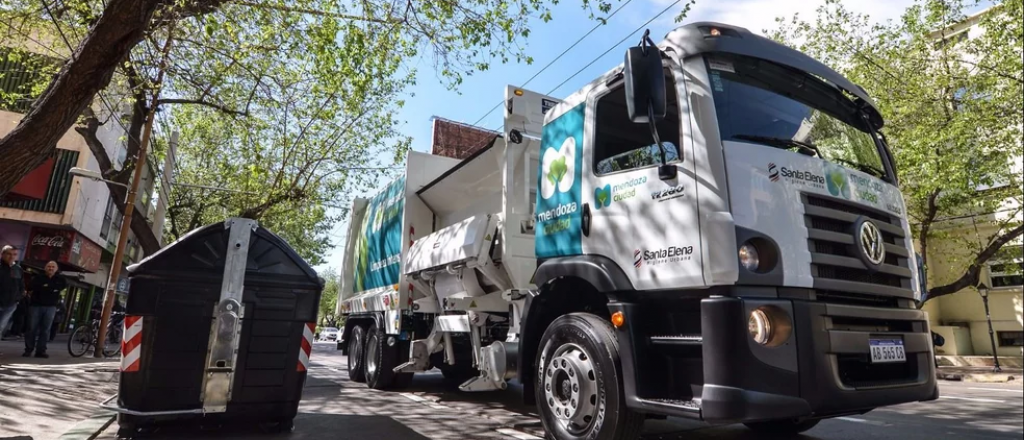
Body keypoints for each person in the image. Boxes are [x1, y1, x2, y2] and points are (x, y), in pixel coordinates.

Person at [24, 261, 66, 358]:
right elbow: (31, 287)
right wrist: (50, 288)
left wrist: (45, 287)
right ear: (45, 268)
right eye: (49, 266)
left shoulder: (60, 279)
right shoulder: (38, 278)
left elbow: (61, 287)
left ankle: (41, 351)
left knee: (46, 329)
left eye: (53, 267)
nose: (51, 268)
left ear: (56, 269)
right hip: (36, 306)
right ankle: (28, 349)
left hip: (51, 307)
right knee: (31, 328)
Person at [1, 246, 25, 355]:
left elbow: (21, 285)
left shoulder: (18, 269)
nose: (11, 257)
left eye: (14, 254)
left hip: (10, 304)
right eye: (9, 254)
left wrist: (17, 298)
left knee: (1, 327)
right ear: (3, 254)